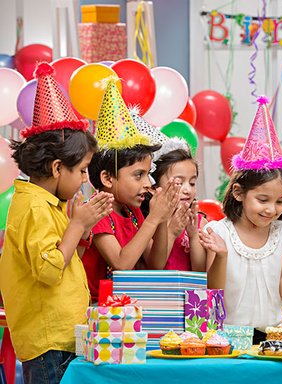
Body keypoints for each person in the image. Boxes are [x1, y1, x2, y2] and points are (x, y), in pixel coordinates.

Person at [0, 62, 113, 384]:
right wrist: (76, 226)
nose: (83, 180)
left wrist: (82, 229)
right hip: (48, 339)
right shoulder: (34, 207)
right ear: (57, 168)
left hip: (63, 335)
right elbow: (49, 272)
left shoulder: (50, 204)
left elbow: (63, 261)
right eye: (81, 171)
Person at [202, 96, 282, 344]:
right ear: (239, 193)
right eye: (263, 200)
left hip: (275, 336)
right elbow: (213, 292)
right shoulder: (219, 232)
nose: (272, 209)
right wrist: (222, 255)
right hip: (228, 337)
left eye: (279, 201)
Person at [81, 79, 180, 302]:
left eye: (148, 173)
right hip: (97, 310)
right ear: (107, 178)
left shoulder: (132, 212)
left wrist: (162, 217)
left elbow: (156, 265)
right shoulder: (97, 212)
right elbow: (121, 264)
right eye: (139, 175)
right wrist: (153, 219)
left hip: (125, 306)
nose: (148, 182)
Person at [131, 110, 208, 272]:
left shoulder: (199, 222)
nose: (188, 190)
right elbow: (154, 266)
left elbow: (201, 273)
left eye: (192, 183)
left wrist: (193, 236)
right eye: (179, 183)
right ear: (153, 187)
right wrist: (171, 232)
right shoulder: (146, 221)